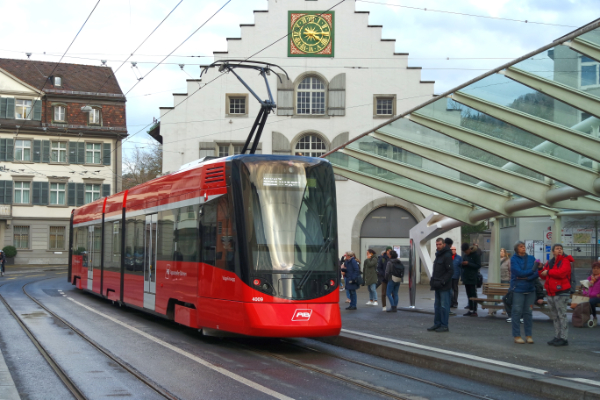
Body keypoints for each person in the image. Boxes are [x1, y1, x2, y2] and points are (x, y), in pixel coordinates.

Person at [539, 244, 573, 347]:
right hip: (551, 292)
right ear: (553, 252)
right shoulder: (549, 262)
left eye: (561, 249)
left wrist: (548, 271)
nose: (560, 250)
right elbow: (543, 276)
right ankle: (557, 336)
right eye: (557, 249)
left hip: (561, 292)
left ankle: (564, 338)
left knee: (561, 315)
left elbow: (561, 273)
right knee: (555, 316)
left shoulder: (565, 261)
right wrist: (541, 269)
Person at [510, 241, 539, 344]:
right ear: (516, 249)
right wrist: (530, 273)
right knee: (517, 312)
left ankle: (528, 335)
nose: (523, 248)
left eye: (524, 246)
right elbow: (517, 272)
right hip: (518, 289)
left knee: (528, 312)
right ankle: (517, 335)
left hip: (530, 289)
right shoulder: (513, 259)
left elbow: (537, 273)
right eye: (521, 247)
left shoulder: (531, 258)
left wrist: (526, 277)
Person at [427, 237, 453, 332]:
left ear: (444, 244)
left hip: (444, 286)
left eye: (439, 244)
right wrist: (433, 280)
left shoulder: (447, 255)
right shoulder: (438, 255)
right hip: (437, 284)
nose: (438, 246)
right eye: (437, 244)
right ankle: (437, 324)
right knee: (437, 306)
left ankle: (444, 325)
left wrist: (443, 281)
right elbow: (436, 270)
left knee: (444, 306)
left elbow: (450, 271)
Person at [461, 243, 481, 317]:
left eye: (466, 251)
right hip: (466, 277)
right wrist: (462, 264)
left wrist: (468, 263)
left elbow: (478, 265)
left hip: (473, 277)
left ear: (469, 249)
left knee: (473, 294)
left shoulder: (475, 255)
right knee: (468, 294)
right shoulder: (465, 255)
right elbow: (463, 265)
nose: (465, 253)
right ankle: (470, 309)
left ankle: (474, 310)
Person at [377, 247, 392, 311]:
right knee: (383, 293)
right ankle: (384, 306)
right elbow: (379, 267)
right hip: (384, 278)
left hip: (391, 278)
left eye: (390, 250)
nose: (389, 252)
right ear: (386, 251)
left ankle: (393, 305)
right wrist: (383, 274)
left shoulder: (392, 258)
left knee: (393, 293)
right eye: (388, 250)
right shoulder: (382, 258)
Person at [450, 244, 462, 308]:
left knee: (455, 289)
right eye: (452, 249)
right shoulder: (448, 257)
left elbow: (461, 267)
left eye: (454, 249)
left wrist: (460, 275)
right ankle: (451, 302)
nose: (453, 250)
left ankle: (455, 302)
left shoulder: (459, 258)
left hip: (456, 276)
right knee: (450, 289)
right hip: (449, 276)